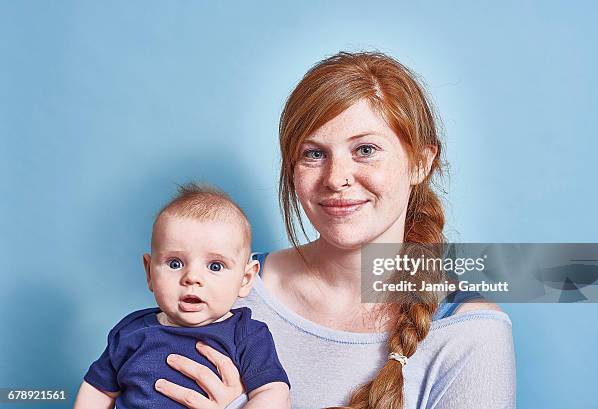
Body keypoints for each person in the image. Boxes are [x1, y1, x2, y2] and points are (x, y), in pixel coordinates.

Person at [153, 52, 515, 409]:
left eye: (366, 149)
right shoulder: (224, 289)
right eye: (313, 153)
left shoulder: (470, 333)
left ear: (421, 162)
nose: (336, 178)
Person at [74, 184, 291, 409]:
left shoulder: (248, 336)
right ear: (149, 272)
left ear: (245, 280)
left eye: (215, 266)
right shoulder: (130, 331)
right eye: (175, 263)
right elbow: (97, 389)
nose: (192, 277)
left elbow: (273, 393)